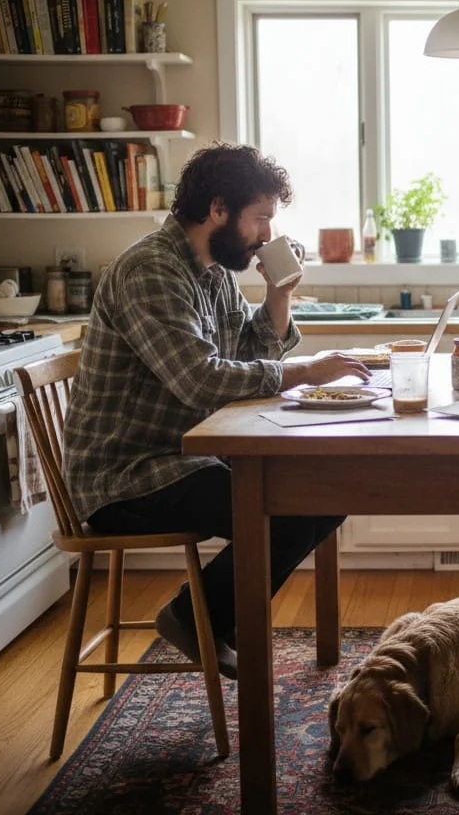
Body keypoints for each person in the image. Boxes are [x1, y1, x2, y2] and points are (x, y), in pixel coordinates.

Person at [63, 142, 371, 679]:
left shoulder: (216, 273)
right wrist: (306, 370)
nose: (267, 235)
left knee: (325, 491)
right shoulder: (150, 272)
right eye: (261, 218)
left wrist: (279, 295)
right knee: (288, 509)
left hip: (189, 455)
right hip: (127, 475)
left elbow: (248, 354)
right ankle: (199, 618)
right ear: (218, 210)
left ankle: (204, 615)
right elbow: (200, 380)